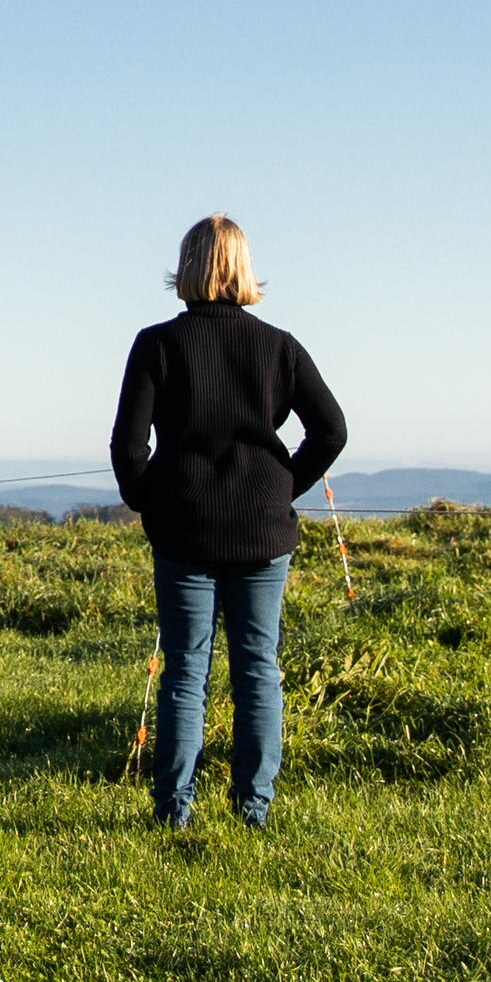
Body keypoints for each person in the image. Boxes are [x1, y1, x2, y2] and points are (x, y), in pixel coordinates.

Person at [109, 214, 347, 830]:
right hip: (263, 530)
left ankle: (173, 811)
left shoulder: (156, 344)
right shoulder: (278, 346)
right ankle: (253, 810)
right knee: (258, 669)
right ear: (243, 268)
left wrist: (148, 502)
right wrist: (283, 486)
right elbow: (331, 431)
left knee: (186, 672)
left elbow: (128, 448)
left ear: (187, 267)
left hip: (183, 528)